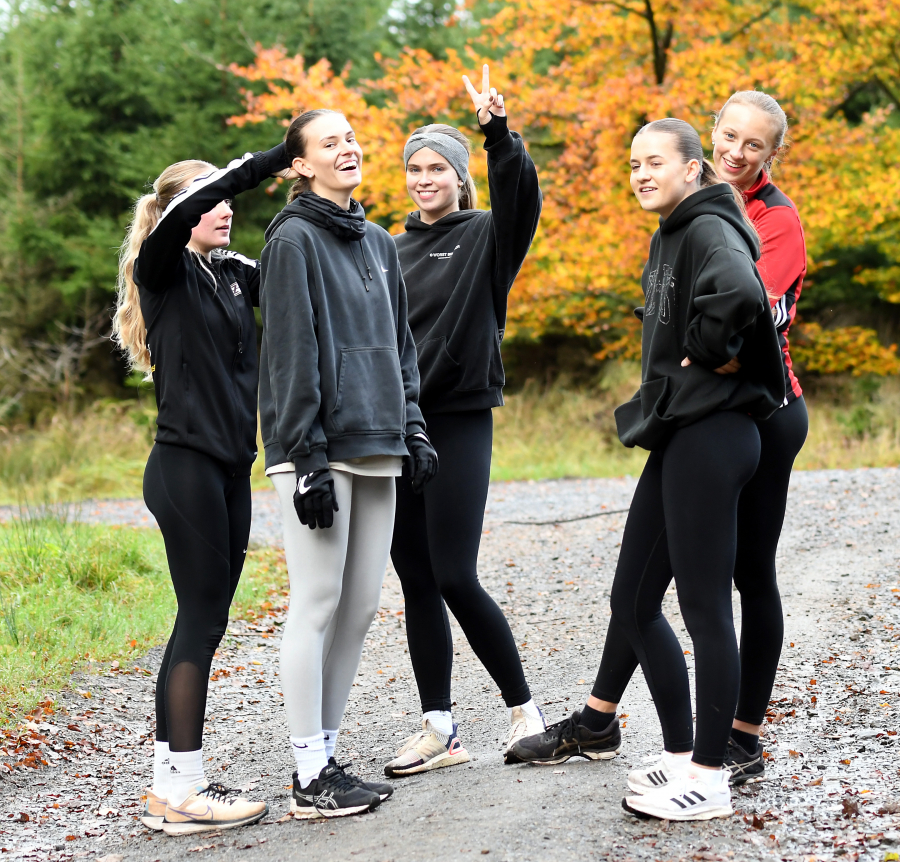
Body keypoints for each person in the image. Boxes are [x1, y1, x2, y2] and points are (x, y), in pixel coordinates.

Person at [511, 95, 808, 796]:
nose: (739, 152)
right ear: (710, 143)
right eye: (729, 137)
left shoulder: (768, 219)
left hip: (763, 410)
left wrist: (702, 349)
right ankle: (607, 717)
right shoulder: (683, 215)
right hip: (701, 410)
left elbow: (748, 310)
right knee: (647, 580)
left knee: (740, 578)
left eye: (754, 145)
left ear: (772, 156)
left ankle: (737, 739)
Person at [258, 109, 438, 818]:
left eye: (351, 137)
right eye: (330, 142)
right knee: (318, 601)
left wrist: (414, 427)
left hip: (380, 442)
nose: (349, 147)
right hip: (318, 450)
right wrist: (303, 455)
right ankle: (307, 772)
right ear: (300, 164)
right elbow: (290, 354)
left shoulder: (378, 242)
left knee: (361, 607)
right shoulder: (292, 241)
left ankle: (327, 757)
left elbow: (401, 345)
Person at [113, 143, 293, 834]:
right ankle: (184, 788)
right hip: (183, 466)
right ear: (174, 213)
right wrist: (271, 157)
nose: (223, 208)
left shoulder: (230, 275)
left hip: (229, 467)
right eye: (208, 199)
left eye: (228, 199)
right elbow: (183, 212)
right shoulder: (160, 270)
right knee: (199, 620)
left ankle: (170, 787)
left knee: (209, 623)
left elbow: (294, 264)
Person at [383, 65, 545, 778]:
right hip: (394, 428)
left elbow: (521, 200)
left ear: (458, 175)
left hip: (458, 419)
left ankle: (525, 715)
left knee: (454, 572)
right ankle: (439, 729)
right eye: (414, 168)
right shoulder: (384, 248)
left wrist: (496, 133)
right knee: (415, 577)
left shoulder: (484, 236)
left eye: (436, 168)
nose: (424, 179)